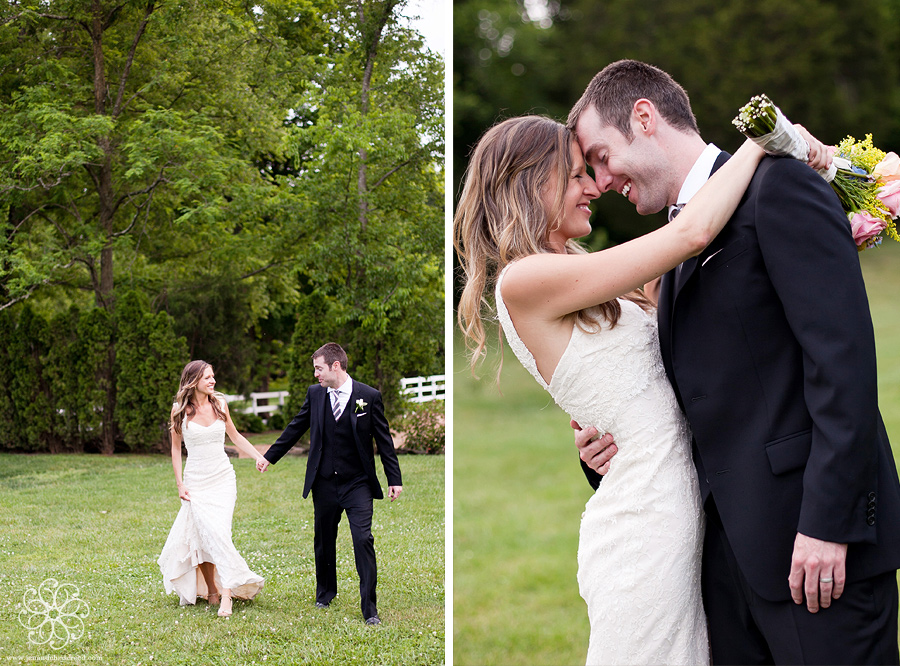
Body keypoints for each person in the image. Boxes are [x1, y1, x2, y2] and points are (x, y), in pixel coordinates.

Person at [569, 59, 900, 665]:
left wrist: (830, 523)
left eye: (600, 156)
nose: (600, 179)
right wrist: (608, 450)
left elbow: (843, 363)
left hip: (817, 557)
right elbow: (694, 398)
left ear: (644, 118)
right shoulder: (672, 248)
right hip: (724, 569)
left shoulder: (779, 186)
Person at [258, 342, 402, 626]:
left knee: (363, 539)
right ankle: (325, 592)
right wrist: (269, 457)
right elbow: (295, 428)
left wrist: (394, 479)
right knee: (323, 541)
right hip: (323, 483)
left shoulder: (368, 397)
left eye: (318, 368)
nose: (316, 375)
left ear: (335, 366)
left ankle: (369, 609)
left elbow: (384, 440)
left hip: (358, 483)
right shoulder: (316, 395)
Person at [158, 360, 266, 617]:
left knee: (219, 533)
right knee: (202, 535)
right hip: (195, 481)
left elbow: (235, 435)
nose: (213, 381)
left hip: (222, 479)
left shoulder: (220, 403)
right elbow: (175, 450)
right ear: (194, 380)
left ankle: (226, 596)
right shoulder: (179, 411)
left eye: (213, 376)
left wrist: (257, 456)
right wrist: (179, 484)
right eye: (208, 377)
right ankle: (211, 590)